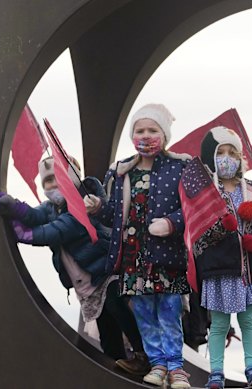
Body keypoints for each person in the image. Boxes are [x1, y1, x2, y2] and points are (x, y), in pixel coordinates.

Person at [0, 156, 149, 375]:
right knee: (106, 328)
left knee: (116, 305)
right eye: (48, 182)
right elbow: (35, 216)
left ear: (72, 178)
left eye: (58, 178)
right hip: (87, 285)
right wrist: (14, 207)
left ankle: (143, 353)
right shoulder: (51, 208)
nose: (53, 185)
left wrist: (26, 235)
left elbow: (57, 231)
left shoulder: (81, 204)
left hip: (104, 271)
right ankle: (119, 366)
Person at [84, 103, 192, 389]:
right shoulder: (122, 172)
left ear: (164, 135)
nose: (146, 135)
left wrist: (171, 223)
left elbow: (191, 209)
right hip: (134, 258)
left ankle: (176, 368)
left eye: (152, 130)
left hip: (167, 256)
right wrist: (97, 208)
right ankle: (157, 364)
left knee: (169, 311)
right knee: (144, 313)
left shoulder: (179, 167)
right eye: (140, 130)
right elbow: (115, 213)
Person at [189, 126, 252, 388]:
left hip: (247, 268)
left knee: (249, 320)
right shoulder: (206, 194)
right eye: (220, 152)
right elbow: (197, 234)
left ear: (240, 157)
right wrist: (219, 226)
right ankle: (216, 373)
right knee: (220, 324)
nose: (227, 158)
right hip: (218, 269)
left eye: (232, 152)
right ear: (210, 158)